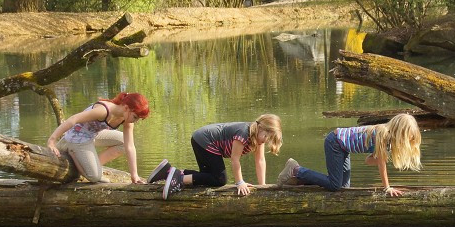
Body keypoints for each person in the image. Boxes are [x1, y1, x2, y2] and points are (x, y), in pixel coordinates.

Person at [276, 114, 422, 197]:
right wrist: (387, 187)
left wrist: (381, 156)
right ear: (400, 133)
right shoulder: (383, 134)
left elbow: (368, 161)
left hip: (343, 148)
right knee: (335, 185)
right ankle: (296, 170)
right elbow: (381, 165)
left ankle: (298, 180)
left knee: (344, 188)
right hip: (335, 142)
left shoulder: (388, 140)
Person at [149, 114, 282, 198]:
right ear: (260, 128)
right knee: (220, 179)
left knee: (207, 177)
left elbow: (260, 160)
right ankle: (178, 179)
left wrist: (262, 186)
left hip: (202, 139)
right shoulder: (244, 133)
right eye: (265, 136)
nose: (265, 140)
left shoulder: (257, 139)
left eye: (268, 139)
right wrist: (240, 183)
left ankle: (168, 173)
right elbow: (235, 160)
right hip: (205, 140)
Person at [46, 92, 150, 183]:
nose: (135, 121)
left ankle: (94, 165)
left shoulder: (127, 119)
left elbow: (130, 146)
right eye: (135, 117)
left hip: (93, 134)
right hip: (77, 137)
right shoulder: (104, 111)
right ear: (126, 108)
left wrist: (134, 175)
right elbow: (74, 119)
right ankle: (71, 150)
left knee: (123, 142)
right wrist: (52, 141)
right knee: (94, 177)